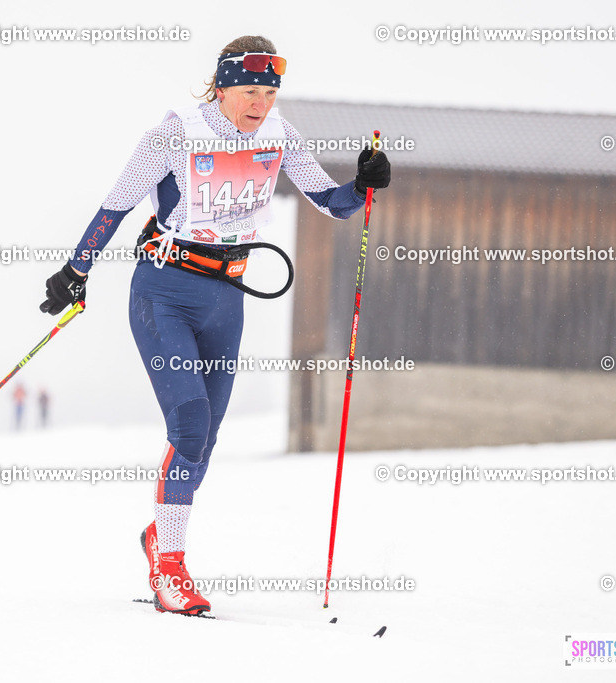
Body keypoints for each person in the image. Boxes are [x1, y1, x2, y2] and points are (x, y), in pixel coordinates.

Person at [39, 35, 390, 616]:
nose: (260, 103)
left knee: (204, 441)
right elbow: (118, 203)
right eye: (250, 90)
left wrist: (363, 184)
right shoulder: (174, 134)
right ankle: (170, 568)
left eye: (270, 91)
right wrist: (75, 270)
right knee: (191, 420)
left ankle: (160, 538)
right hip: (164, 291)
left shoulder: (278, 136)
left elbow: (330, 202)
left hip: (227, 296)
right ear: (221, 86)